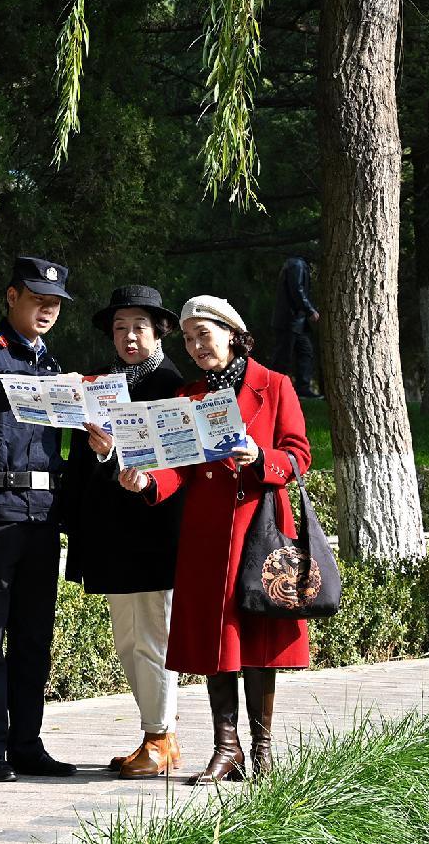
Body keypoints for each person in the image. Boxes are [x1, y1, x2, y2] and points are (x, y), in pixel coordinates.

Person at [119, 294, 312, 784]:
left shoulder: (275, 384)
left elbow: (299, 456)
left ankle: (262, 751)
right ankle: (227, 748)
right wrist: (147, 482)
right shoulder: (189, 396)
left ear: (232, 333)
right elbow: (178, 468)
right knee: (215, 640)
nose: (196, 346)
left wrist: (261, 457)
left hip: (260, 528)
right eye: (188, 339)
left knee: (259, 638)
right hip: (206, 534)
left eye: (203, 334)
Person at [0, 256, 78, 783]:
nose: (47, 310)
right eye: (37, 300)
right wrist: (60, 388)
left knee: (33, 638)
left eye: (55, 304)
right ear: (12, 297)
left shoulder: (54, 365)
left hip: (42, 516)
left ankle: (26, 742)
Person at [64, 285, 185, 779]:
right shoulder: (101, 385)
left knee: (154, 639)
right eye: (119, 328)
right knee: (127, 640)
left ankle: (159, 737)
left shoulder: (173, 385)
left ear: (159, 332)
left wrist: (116, 452)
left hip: (155, 530)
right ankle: (159, 735)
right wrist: (100, 452)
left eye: (138, 327)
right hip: (113, 532)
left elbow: (173, 460)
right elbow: (88, 461)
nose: (128, 336)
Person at [269, 256, 321, 398]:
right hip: (289, 321)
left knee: (305, 352)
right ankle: (272, 390)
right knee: (282, 358)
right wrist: (310, 310)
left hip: (296, 321)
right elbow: (297, 290)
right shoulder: (297, 265)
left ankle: (302, 389)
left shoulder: (296, 264)